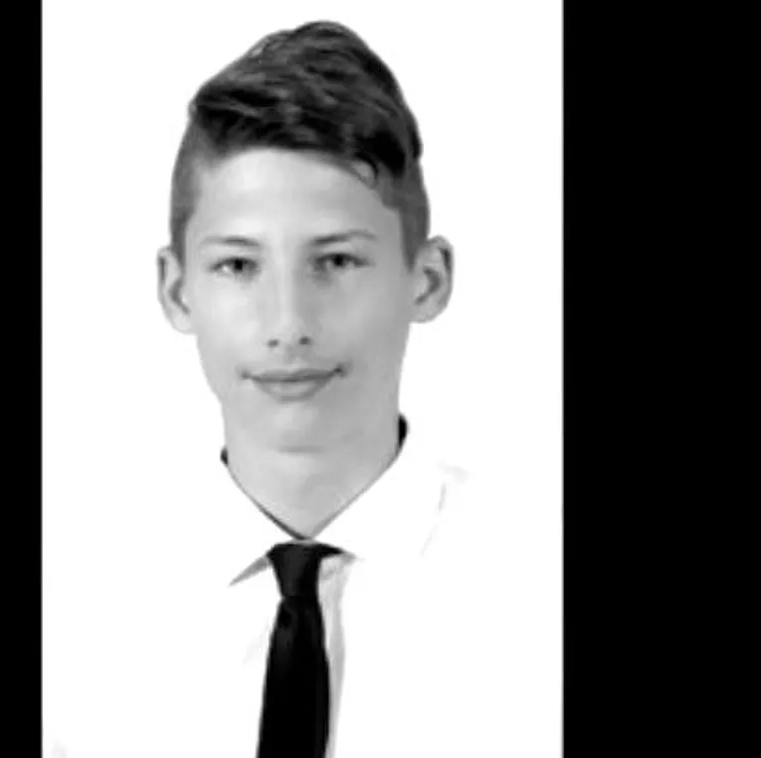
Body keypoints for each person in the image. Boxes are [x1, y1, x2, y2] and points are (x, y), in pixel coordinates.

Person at [45, 19, 553, 758]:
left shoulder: (543, 594)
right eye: (238, 266)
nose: (288, 325)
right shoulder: (68, 616)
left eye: (336, 261)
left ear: (427, 279)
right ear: (177, 291)